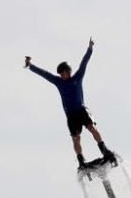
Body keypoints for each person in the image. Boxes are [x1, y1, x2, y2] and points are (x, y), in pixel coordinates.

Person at [25, 37, 117, 170]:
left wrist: (90, 48)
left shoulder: (77, 77)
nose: (62, 75)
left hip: (81, 110)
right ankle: (81, 161)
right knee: (76, 138)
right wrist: (30, 66)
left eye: (64, 72)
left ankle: (104, 150)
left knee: (92, 128)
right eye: (60, 73)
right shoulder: (58, 82)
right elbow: (44, 74)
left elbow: (84, 63)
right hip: (71, 115)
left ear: (69, 71)